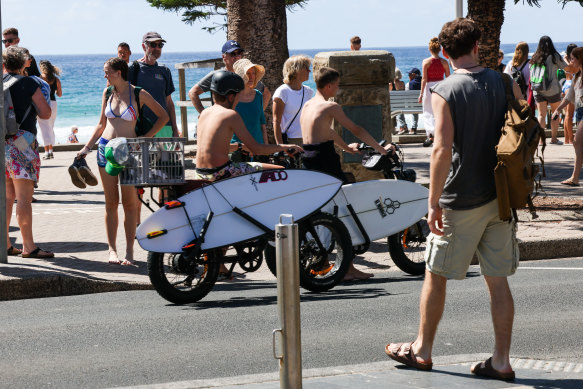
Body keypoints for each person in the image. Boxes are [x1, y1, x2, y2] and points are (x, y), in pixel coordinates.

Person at [385, 18, 522, 382]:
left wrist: (433, 202)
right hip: (501, 195)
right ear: (477, 45)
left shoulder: (444, 89)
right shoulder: (501, 80)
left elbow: (442, 149)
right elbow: (524, 123)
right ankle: (501, 360)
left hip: (461, 197)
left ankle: (422, 350)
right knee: (497, 281)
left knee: (436, 273)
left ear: (445, 53)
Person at [300, 66, 391, 281]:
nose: (338, 89)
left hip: (309, 159)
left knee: (323, 210)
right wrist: (382, 150)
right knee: (344, 211)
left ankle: (323, 260)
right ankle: (347, 267)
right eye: (338, 85)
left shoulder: (308, 105)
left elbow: (326, 132)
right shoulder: (329, 106)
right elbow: (356, 129)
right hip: (325, 161)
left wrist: (347, 148)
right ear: (329, 85)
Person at [77, 58, 169, 265]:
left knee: (129, 204)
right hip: (105, 149)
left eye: (107, 72)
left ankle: (129, 252)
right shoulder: (107, 92)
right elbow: (101, 124)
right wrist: (86, 147)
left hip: (130, 152)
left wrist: (147, 137)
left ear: (119, 72)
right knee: (110, 203)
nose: (105, 76)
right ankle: (112, 251)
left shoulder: (139, 93)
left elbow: (163, 116)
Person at [194, 70, 302, 181]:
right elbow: (257, 149)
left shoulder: (204, 113)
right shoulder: (230, 115)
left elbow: (213, 148)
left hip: (199, 174)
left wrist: (239, 146)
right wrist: (286, 147)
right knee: (280, 170)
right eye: (238, 97)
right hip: (221, 172)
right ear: (231, 97)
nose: (238, 101)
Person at [3, 47, 53, 258]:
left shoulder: (2, 82)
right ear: (25, 62)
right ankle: (29, 246)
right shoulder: (29, 83)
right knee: (24, 198)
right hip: (22, 142)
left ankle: (4, 244)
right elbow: (45, 113)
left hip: (3, 143)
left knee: (6, 197)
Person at [189, 40, 272, 113]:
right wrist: (204, 114)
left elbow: (266, 93)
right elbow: (193, 92)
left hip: (241, 125)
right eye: (232, 54)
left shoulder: (246, 75)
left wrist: (257, 114)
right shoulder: (217, 76)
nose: (236, 57)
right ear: (224, 57)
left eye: (239, 53)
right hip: (222, 123)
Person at [128, 32, 179, 138]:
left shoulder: (164, 70)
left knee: (167, 155)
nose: (157, 48)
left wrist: (175, 129)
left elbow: (169, 103)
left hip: (165, 127)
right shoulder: (133, 68)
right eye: (153, 45)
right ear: (143, 46)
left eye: (160, 45)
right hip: (142, 127)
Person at [553, 47, 583, 187]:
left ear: (580, 59)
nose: (570, 61)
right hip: (579, 112)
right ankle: (575, 178)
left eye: (572, 58)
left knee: (577, 142)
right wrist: (557, 110)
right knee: (579, 144)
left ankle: (575, 178)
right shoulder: (577, 77)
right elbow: (569, 97)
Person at [530, 35, 567, 144]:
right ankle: (554, 139)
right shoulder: (554, 56)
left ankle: (541, 140)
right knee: (556, 112)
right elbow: (565, 67)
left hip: (538, 89)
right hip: (552, 89)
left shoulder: (534, 56)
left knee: (541, 115)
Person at [272, 55, 313, 145]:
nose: (309, 71)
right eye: (306, 68)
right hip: (290, 140)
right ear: (296, 69)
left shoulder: (308, 91)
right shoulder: (282, 92)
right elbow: (276, 121)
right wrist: (280, 147)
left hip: (307, 139)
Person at [419, 37, 450, 147]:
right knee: (440, 112)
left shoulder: (426, 62)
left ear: (430, 49)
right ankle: (440, 134)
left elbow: (424, 79)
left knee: (428, 112)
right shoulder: (444, 62)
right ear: (440, 49)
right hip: (441, 87)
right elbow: (448, 78)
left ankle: (430, 135)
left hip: (429, 88)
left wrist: (421, 94)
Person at [231, 59, 268, 145]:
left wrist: (266, 149)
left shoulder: (258, 95)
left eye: (253, 73)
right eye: (248, 73)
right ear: (241, 76)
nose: (251, 77)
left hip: (258, 147)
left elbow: (262, 124)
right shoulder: (231, 97)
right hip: (237, 149)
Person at [37, 60, 62, 160]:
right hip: (53, 103)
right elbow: (59, 94)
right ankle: (51, 151)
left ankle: (47, 152)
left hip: (43, 103)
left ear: (42, 68)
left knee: (43, 127)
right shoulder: (56, 80)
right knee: (50, 127)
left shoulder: (40, 78)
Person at [561, 44, 578, 144]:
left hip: (565, 85)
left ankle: (567, 139)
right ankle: (571, 139)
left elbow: (566, 67)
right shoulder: (574, 62)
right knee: (569, 114)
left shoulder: (566, 62)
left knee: (567, 114)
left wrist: (565, 58)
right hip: (571, 86)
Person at [390, 68, 408, 135]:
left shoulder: (391, 84)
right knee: (400, 113)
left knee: (393, 113)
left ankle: (401, 127)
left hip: (394, 104)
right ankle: (404, 126)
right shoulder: (402, 83)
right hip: (402, 103)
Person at [406, 68, 422, 134]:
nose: (409, 76)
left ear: (414, 74)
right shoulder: (424, 81)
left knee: (414, 105)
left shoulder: (409, 84)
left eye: (410, 74)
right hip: (424, 105)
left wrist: (410, 81)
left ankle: (413, 128)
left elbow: (407, 95)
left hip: (414, 106)